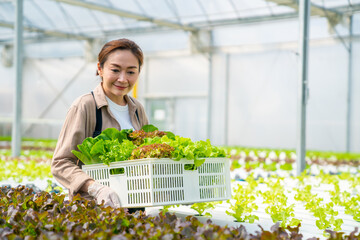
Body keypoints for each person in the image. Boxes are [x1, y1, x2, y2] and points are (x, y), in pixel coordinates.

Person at [51, 38, 149, 210]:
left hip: (135, 206)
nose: (122, 79)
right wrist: (96, 188)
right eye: (115, 70)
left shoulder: (137, 109)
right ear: (100, 69)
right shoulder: (85, 106)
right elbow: (61, 163)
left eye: (131, 72)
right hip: (94, 210)